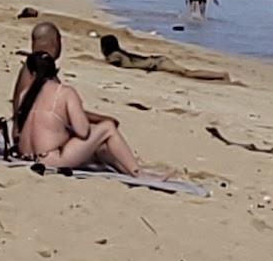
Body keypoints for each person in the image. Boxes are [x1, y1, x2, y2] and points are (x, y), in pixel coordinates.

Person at [15, 51, 143, 174]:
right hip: (51, 158)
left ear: (32, 73)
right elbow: (83, 132)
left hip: (26, 156)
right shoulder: (64, 92)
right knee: (108, 127)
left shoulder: (25, 94)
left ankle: (126, 168)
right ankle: (137, 172)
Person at [99, 34, 231, 81]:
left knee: (186, 73)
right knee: (186, 73)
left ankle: (220, 75)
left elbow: (111, 62)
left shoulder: (115, 55)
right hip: (156, 63)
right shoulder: (120, 54)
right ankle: (219, 75)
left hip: (158, 63)